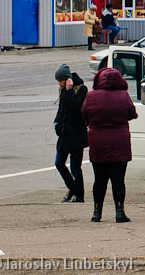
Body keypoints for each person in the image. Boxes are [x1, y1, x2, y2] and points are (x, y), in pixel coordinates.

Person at [82, 67, 136, 223]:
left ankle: (97, 212)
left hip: (98, 142)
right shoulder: (123, 95)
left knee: (99, 179)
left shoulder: (91, 96)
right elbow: (131, 113)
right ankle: (120, 211)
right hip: (119, 142)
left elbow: (84, 114)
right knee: (118, 179)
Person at [53, 64, 88, 203]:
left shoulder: (81, 89)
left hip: (77, 135)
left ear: (67, 80)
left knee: (75, 167)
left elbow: (75, 108)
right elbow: (62, 110)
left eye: (60, 81)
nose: (58, 83)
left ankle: (79, 194)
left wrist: (68, 91)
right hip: (64, 136)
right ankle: (73, 188)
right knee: (59, 163)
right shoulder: (63, 90)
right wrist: (57, 123)